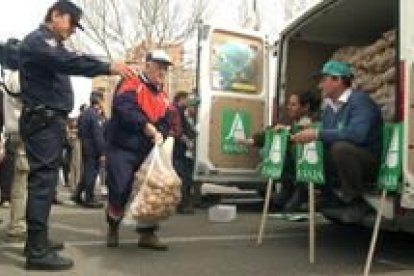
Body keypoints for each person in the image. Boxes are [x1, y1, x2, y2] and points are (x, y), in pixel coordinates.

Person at [18, 0, 134, 271]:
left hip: (50, 121)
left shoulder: (51, 44)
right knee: (43, 184)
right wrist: (107, 66)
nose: (72, 30)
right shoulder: (39, 42)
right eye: (71, 23)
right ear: (55, 15)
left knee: (44, 185)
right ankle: (36, 252)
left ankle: (37, 240)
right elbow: (70, 62)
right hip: (44, 121)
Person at [291, 60, 383, 223]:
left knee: (341, 148)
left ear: (337, 80)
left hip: (367, 160)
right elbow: (325, 138)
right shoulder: (329, 108)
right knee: (312, 148)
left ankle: (357, 201)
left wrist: (317, 134)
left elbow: (357, 135)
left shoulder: (360, 101)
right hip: (345, 160)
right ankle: (328, 195)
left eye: (323, 80)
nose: (320, 86)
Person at [105, 49, 173, 250]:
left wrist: (161, 132)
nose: (162, 72)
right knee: (120, 188)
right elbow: (123, 107)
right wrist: (146, 126)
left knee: (151, 190)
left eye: (165, 69)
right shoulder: (132, 82)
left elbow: (167, 119)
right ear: (148, 64)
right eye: (159, 66)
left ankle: (147, 233)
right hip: (122, 147)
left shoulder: (163, 95)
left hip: (147, 150)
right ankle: (113, 226)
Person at [242, 91, 319, 211]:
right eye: (289, 104)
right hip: (295, 171)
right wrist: (254, 140)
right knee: (267, 150)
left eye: (293, 105)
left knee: (292, 151)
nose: (288, 107)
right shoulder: (293, 121)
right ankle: (288, 188)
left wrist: (293, 132)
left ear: (305, 107)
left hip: (311, 171)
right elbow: (273, 131)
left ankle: (302, 191)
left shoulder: (316, 122)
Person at [71, 92, 105, 208]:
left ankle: (77, 194)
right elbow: (97, 134)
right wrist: (101, 151)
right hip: (93, 148)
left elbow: (80, 131)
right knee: (91, 173)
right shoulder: (94, 115)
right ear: (99, 101)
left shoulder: (84, 114)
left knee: (87, 172)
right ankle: (89, 198)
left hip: (85, 146)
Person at [169, 91, 197, 214]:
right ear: (181, 99)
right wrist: (187, 141)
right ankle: (182, 205)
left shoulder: (179, 111)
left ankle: (182, 204)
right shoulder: (176, 111)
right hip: (179, 151)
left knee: (183, 178)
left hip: (180, 151)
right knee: (183, 178)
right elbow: (178, 130)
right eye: (187, 99)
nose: (188, 102)